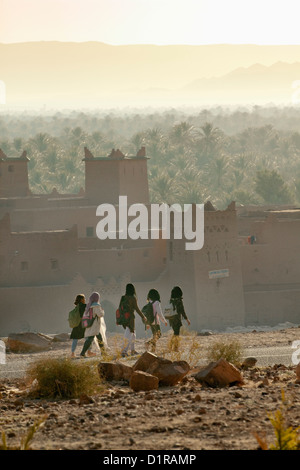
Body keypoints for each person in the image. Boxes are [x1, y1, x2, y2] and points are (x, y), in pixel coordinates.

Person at [120, 283, 147, 357]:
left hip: (124, 318)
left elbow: (120, 309)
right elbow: (137, 309)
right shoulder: (132, 298)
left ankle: (132, 350)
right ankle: (123, 351)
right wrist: (143, 316)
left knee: (133, 334)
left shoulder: (123, 297)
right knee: (128, 334)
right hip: (130, 318)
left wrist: (121, 319)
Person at [80, 292, 108, 357]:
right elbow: (100, 314)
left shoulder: (88, 306)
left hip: (90, 324)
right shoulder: (96, 306)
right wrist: (102, 311)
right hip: (95, 325)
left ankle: (103, 352)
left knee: (99, 338)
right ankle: (82, 353)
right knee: (90, 339)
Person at [168, 286, 190, 351]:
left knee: (175, 332)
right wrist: (187, 319)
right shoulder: (179, 301)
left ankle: (171, 346)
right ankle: (175, 348)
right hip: (176, 319)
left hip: (171, 319)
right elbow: (182, 310)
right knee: (176, 333)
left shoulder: (171, 300)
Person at [145, 288, 168, 353]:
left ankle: (153, 350)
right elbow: (159, 313)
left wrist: (147, 324)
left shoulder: (150, 303)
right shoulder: (157, 302)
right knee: (158, 335)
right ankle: (148, 343)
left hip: (151, 322)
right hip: (155, 322)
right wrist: (164, 321)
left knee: (154, 335)